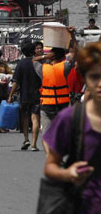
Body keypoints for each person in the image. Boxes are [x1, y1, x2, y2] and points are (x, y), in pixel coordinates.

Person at [41, 42, 101, 213]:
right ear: (85, 79)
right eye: (94, 77)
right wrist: (68, 174)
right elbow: (50, 166)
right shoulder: (70, 118)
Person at [34, 27, 77, 133]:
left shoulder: (42, 68)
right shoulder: (65, 67)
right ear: (62, 57)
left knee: (47, 134)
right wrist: (72, 35)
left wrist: (45, 56)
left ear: (51, 56)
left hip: (47, 105)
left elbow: (34, 60)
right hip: (63, 104)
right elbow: (75, 52)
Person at [8, 42, 42, 151]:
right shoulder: (38, 62)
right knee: (35, 118)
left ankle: (26, 139)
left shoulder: (21, 64)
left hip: (25, 95)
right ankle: (34, 144)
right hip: (38, 94)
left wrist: (10, 95)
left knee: (25, 118)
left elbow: (15, 82)